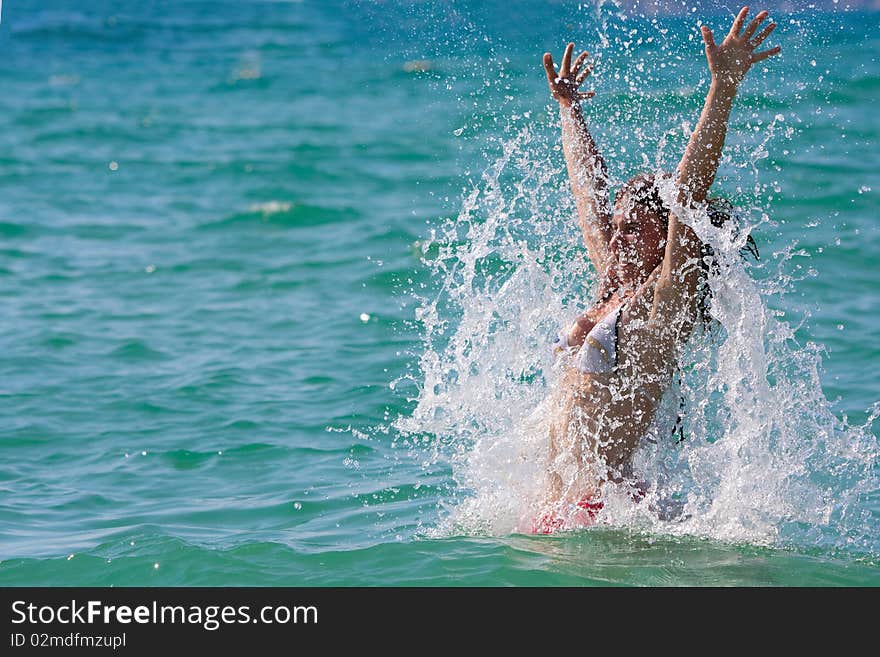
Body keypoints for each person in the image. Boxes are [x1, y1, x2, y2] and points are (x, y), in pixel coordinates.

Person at [531, 6, 780, 533]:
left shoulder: (663, 302)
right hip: (572, 514)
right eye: (617, 226)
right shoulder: (616, 287)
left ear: (664, 236)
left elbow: (688, 194)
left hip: (606, 520)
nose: (616, 235)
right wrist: (569, 110)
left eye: (633, 227)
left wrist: (723, 89)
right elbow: (591, 202)